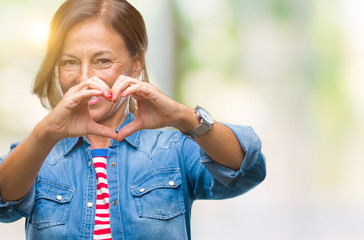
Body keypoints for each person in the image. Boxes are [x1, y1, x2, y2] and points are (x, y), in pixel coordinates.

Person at [0, 0, 266, 239]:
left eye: (102, 61)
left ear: (136, 63)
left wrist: (184, 117)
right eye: (69, 62)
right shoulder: (38, 152)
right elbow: (4, 202)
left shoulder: (172, 149)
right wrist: (46, 132)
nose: (84, 78)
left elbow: (247, 168)